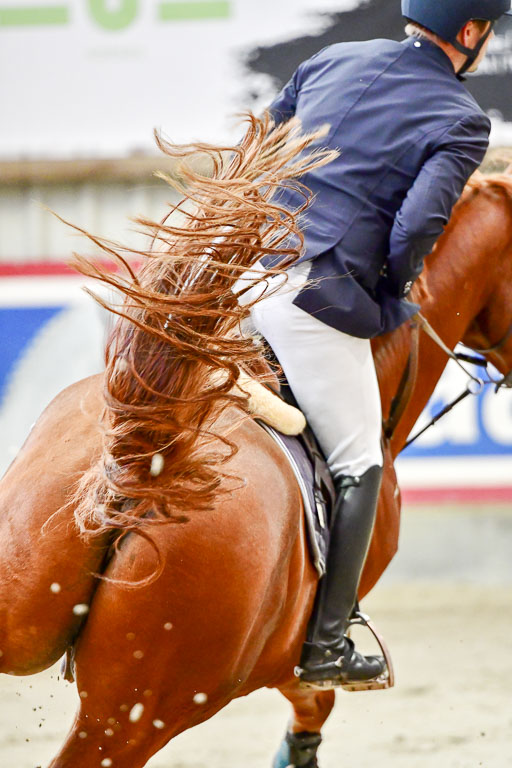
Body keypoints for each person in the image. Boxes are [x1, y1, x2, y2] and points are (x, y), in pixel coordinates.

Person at [244, 0, 512, 689]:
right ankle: (327, 645)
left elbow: (262, 144)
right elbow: (417, 225)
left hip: (247, 273)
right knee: (363, 462)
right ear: (473, 32)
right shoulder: (461, 118)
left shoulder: (333, 58)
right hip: (314, 297)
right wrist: (389, 294)